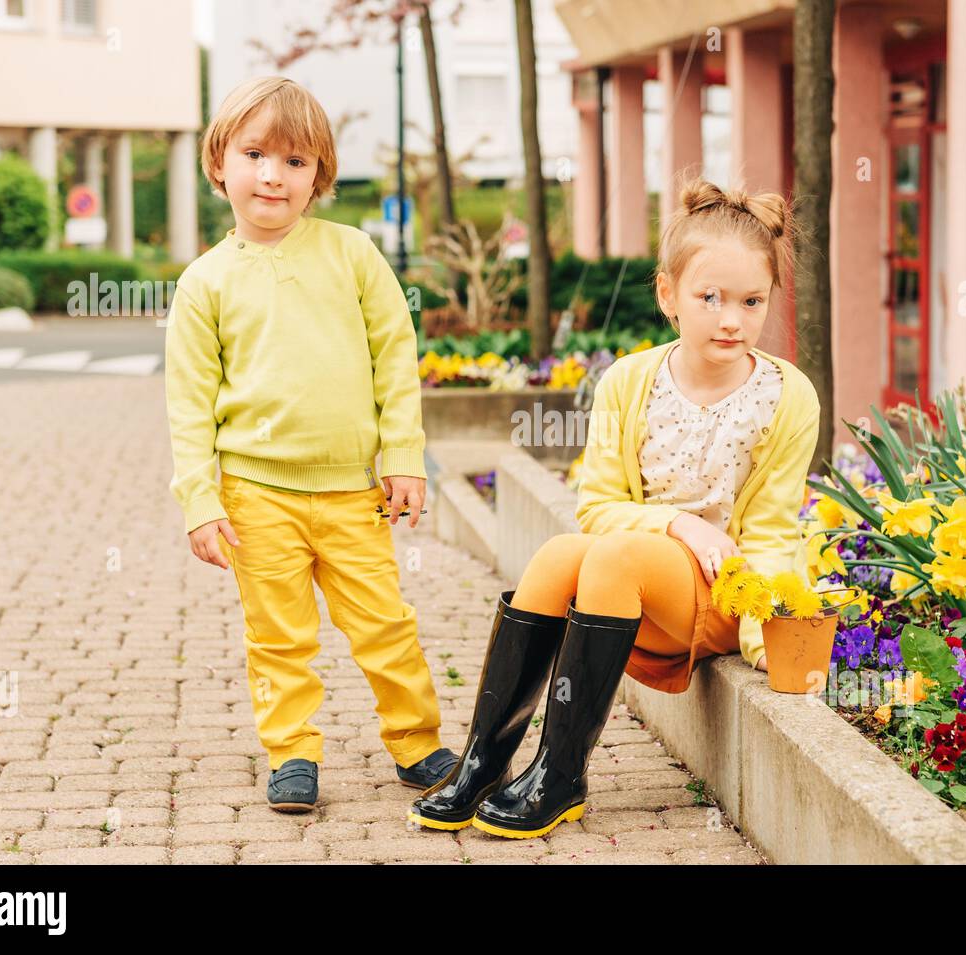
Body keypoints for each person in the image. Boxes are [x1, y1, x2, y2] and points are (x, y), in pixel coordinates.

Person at [408, 178, 822, 839]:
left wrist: (763, 634)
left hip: (722, 595)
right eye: (710, 298)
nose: (732, 319)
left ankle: (560, 773)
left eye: (752, 301)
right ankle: (485, 760)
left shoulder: (786, 396)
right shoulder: (629, 382)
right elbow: (597, 507)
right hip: (629, 595)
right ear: (668, 295)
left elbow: (772, 531)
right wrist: (677, 523)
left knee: (617, 555)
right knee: (559, 554)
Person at [163, 76, 457, 814]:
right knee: (278, 635)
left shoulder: (352, 253)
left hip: (353, 490)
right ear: (219, 162)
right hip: (254, 496)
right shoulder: (204, 283)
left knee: (384, 624)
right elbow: (189, 404)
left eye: (295, 161)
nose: (273, 175)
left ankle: (417, 742)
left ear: (319, 174)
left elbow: (395, 354)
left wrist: (404, 456)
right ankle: (291, 751)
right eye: (255, 154)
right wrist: (200, 500)